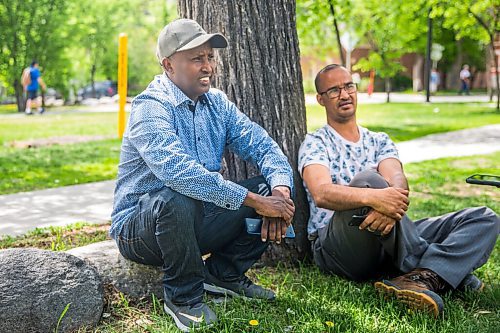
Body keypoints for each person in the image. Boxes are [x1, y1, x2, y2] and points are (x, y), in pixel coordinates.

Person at [110, 19, 295, 332]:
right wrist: (254, 202)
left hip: (195, 219)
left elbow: (262, 145)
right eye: (197, 59)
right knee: (179, 194)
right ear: (168, 65)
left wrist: (280, 194)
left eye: (210, 57)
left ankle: (224, 275)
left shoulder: (217, 103)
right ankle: (183, 298)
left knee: (269, 187)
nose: (208, 66)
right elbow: (178, 172)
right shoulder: (150, 107)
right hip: (141, 230)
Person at [298, 64, 499, 317]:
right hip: (339, 245)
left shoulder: (379, 140)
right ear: (320, 99)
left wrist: (387, 205)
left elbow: (398, 181)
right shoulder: (316, 142)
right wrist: (377, 198)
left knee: (484, 218)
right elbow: (322, 193)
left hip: (390, 235)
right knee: (369, 179)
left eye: (349, 86)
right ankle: (447, 273)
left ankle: (422, 277)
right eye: (334, 90)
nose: (345, 94)